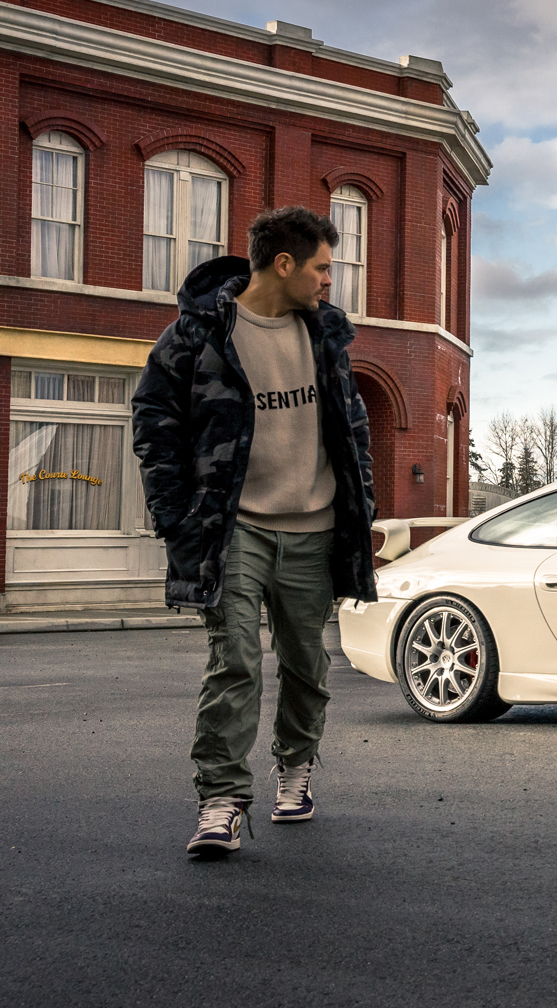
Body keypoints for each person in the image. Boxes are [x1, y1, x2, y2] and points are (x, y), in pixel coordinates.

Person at [131, 206, 377, 859]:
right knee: (234, 660)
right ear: (285, 263)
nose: (331, 280)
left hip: (315, 527)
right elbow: (154, 423)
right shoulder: (199, 335)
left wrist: (363, 509)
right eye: (323, 266)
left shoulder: (325, 336)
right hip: (234, 526)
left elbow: (353, 433)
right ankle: (221, 802)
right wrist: (175, 517)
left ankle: (295, 772)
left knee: (307, 665)